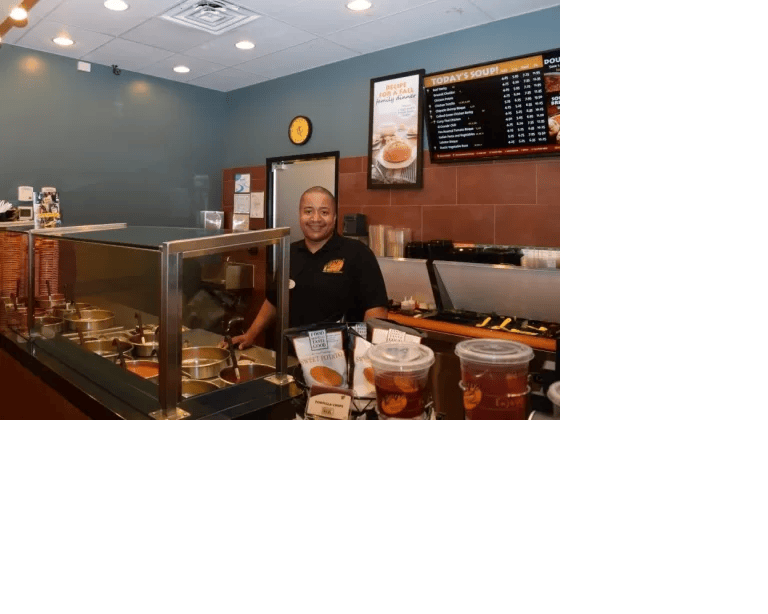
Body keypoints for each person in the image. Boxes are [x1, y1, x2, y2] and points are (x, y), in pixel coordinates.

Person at [225, 186, 389, 350]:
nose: (315, 219)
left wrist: (367, 353)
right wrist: (251, 334)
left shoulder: (358, 253)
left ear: (334, 217)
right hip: (291, 355)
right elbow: (273, 301)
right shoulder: (289, 253)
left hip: (340, 358)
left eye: (324, 212)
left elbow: (376, 310)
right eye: (308, 211)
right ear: (300, 215)